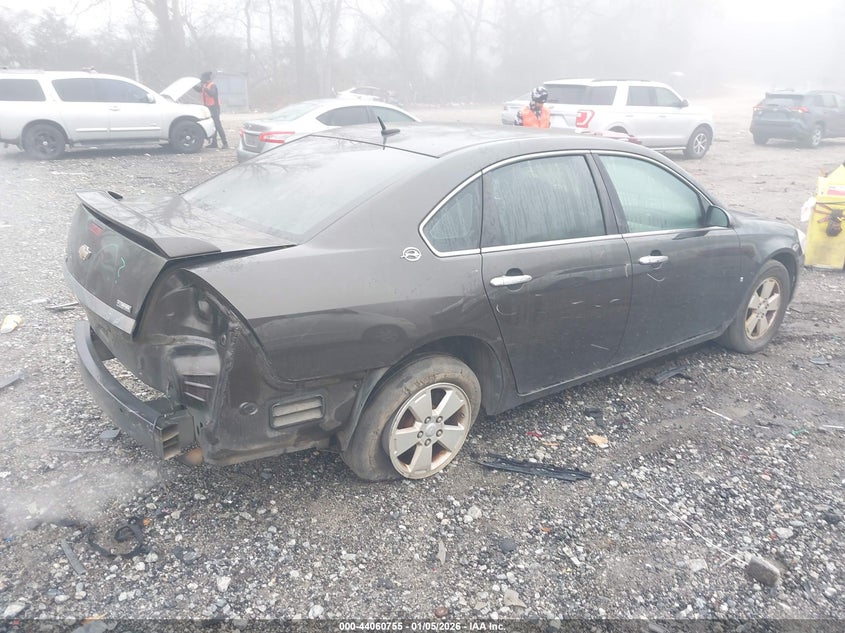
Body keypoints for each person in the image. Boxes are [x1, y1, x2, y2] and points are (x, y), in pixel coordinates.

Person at [195, 70, 228, 148]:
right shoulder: (206, 85)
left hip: (214, 107)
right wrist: (193, 86)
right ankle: (214, 143)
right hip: (208, 107)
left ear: (206, 79)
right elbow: (199, 90)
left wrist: (205, 88)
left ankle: (225, 143)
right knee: (212, 125)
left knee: (217, 125)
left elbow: (212, 94)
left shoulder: (212, 85)